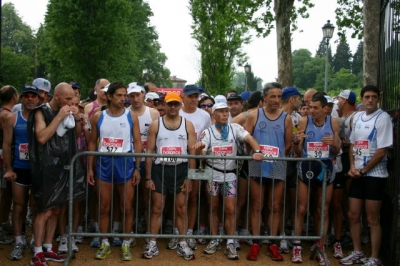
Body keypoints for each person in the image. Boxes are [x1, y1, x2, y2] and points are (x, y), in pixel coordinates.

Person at [195, 102, 264, 260]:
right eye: (221, 112)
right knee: (213, 207)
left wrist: (258, 151)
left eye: (226, 111)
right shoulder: (208, 132)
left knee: (230, 209)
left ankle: (230, 242)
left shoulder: (235, 128)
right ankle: (214, 239)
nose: (225, 114)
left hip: (230, 175)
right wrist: (200, 148)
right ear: (214, 115)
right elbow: (203, 153)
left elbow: (249, 138)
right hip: (212, 174)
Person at [28, 82, 85, 266]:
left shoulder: (68, 110)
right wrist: (59, 117)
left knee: (57, 209)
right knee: (44, 210)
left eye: (73, 99)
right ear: (57, 96)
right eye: (68, 99)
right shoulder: (40, 111)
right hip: (45, 167)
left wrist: (76, 119)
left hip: (64, 166)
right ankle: (37, 251)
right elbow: (42, 137)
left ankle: (48, 247)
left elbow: (76, 135)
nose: (71, 102)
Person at [87, 82, 142, 261]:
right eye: (118, 95)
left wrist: (137, 168)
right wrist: (90, 167)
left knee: (126, 207)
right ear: (109, 97)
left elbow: (137, 142)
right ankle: (104, 243)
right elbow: (92, 142)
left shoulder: (131, 115)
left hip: (125, 162)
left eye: (124, 95)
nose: (123, 99)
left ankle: (126, 243)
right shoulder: (97, 117)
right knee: (103, 206)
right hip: (103, 163)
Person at [340, 85, 393, 266]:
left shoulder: (383, 118)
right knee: (353, 214)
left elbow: (381, 151)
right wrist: (353, 167)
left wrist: (363, 170)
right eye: (367, 97)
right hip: (357, 174)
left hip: (374, 175)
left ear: (378, 99)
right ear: (362, 98)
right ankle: (357, 251)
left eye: (374, 97)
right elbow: (353, 145)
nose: (370, 100)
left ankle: (375, 257)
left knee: (372, 218)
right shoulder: (358, 117)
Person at [143, 92, 196, 261]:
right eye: (169, 104)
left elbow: (192, 153)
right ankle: (152, 243)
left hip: (180, 170)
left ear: (180, 105)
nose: (172, 107)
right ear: (164, 105)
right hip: (160, 171)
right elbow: (150, 152)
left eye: (176, 104)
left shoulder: (188, 125)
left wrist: (191, 178)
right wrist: (148, 177)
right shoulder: (155, 125)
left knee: (181, 208)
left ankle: (182, 243)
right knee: (157, 208)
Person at [243, 82, 292, 261]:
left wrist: (275, 156)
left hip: (277, 164)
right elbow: (246, 138)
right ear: (264, 98)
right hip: (257, 164)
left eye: (279, 96)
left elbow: (287, 144)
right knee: (257, 204)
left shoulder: (286, 118)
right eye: (273, 96)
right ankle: (256, 242)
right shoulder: (254, 115)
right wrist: (257, 153)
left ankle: (272, 242)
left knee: (275, 206)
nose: (276, 100)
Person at [292, 92, 341, 265]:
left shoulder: (333, 122)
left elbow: (336, 151)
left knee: (324, 209)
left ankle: (320, 246)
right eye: (310, 107)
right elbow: (297, 151)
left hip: (325, 167)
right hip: (307, 166)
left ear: (325, 109)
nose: (311, 111)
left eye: (315, 108)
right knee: (302, 207)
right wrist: (297, 141)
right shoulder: (304, 121)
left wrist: (335, 144)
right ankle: (297, 246)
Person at [3, 85, 40, 260]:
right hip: (20, 168)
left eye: (33, 96)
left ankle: (34, 241)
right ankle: (19, 241)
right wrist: (8, 169)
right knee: (18, 207)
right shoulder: (12, 119)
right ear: (21, 98)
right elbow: (6, 145)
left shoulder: (44, 117)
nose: (30, 99)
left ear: (38, 99)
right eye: (27, 96)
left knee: (36, 206)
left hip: (39, 169)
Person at [179, 84, 211, 250]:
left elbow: (207, 139)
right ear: (182, 96)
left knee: (193, 196)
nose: (193, 99)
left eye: (195, 96)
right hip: (177, 162)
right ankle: (179, 231)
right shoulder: (177, 111)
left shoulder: (204, 116)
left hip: (198, 163)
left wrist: (202, 151)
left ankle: (190, 231)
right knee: (178, 198)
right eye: (190, 96)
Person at [127, 82, 160, 234]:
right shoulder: (125, 113)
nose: (135, 99)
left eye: (138, 95)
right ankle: (129, 231)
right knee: (129, 200)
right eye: (132, 96)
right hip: (130, 159)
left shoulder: (153, 113)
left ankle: (148, 231)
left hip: (148, 160)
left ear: (143, 95)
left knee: (148, 198)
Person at [280, 87, 303, 254]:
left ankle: (293, 235)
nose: (301, 102)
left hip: (294, 163)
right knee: (279, 201)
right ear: (291, 99)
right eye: (299, 98)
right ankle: (280, 235)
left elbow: (299, 144)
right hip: (279, 161)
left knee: (294, 201)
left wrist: (297, 142)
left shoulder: (299, 118)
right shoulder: (278, 115)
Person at [0, 85, 19, 244]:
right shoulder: (6, 115)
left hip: (6, 157)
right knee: (5, 195)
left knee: (7, 194)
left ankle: (4, 223)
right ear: (14, 96)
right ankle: (2, 225)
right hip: (4, 157)